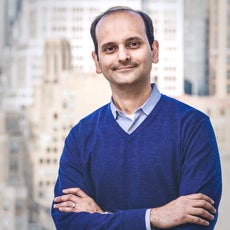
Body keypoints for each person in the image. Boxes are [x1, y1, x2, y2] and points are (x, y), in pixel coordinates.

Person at [51, 6, 222, 230]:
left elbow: (196, 224)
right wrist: (153, 217)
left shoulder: (193, 127)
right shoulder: (80, 136)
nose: (123, 56)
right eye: (110, 48)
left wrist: (102, 217)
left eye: (133, 44)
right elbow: (69, 223)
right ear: (97, 61)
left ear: (154, 50)